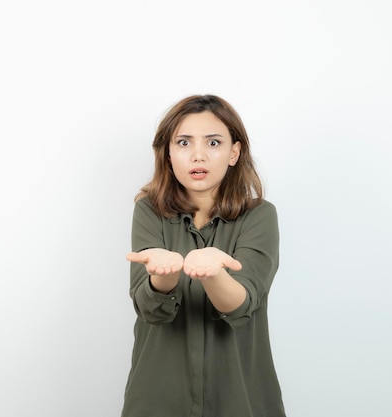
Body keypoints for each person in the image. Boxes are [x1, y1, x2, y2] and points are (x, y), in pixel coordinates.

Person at [121, 94, 286, 417]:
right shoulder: (149, 212)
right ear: (168, 154)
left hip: (239, 398)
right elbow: (149, 308)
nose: (198, 156)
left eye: (213, 143)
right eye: (183, 143)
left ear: (234, 153)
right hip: (158, 398)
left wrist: (214, 273)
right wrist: (164, 274)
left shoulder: (260, 216)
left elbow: (241, 305)